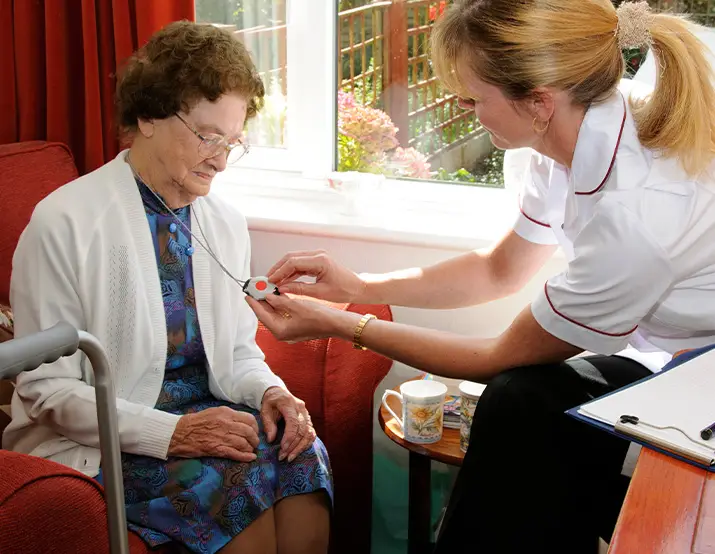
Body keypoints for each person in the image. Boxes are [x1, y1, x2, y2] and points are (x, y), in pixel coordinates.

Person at [246, 1, 715, 552]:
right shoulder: (562, 137)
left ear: (538, 102)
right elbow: (499, 271)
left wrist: (338, 325)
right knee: (523, 409)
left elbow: (496, 356)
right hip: (674, 354)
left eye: (473, 99)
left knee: (520, 403)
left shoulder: (638, 216)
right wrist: (359, 288)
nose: (465, 110)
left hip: (699, 368)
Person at [3, 21, 331, 554]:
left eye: (234, 141)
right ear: (149, 115)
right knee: (230, 480)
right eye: (207, 136)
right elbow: (47, 391)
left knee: (301, 456)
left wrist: (272, 393)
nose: (222, 159)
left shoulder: (222, 220)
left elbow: (239, 352)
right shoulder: (64, 222)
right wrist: (172, 434)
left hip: (210, 415)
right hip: (107, 440)